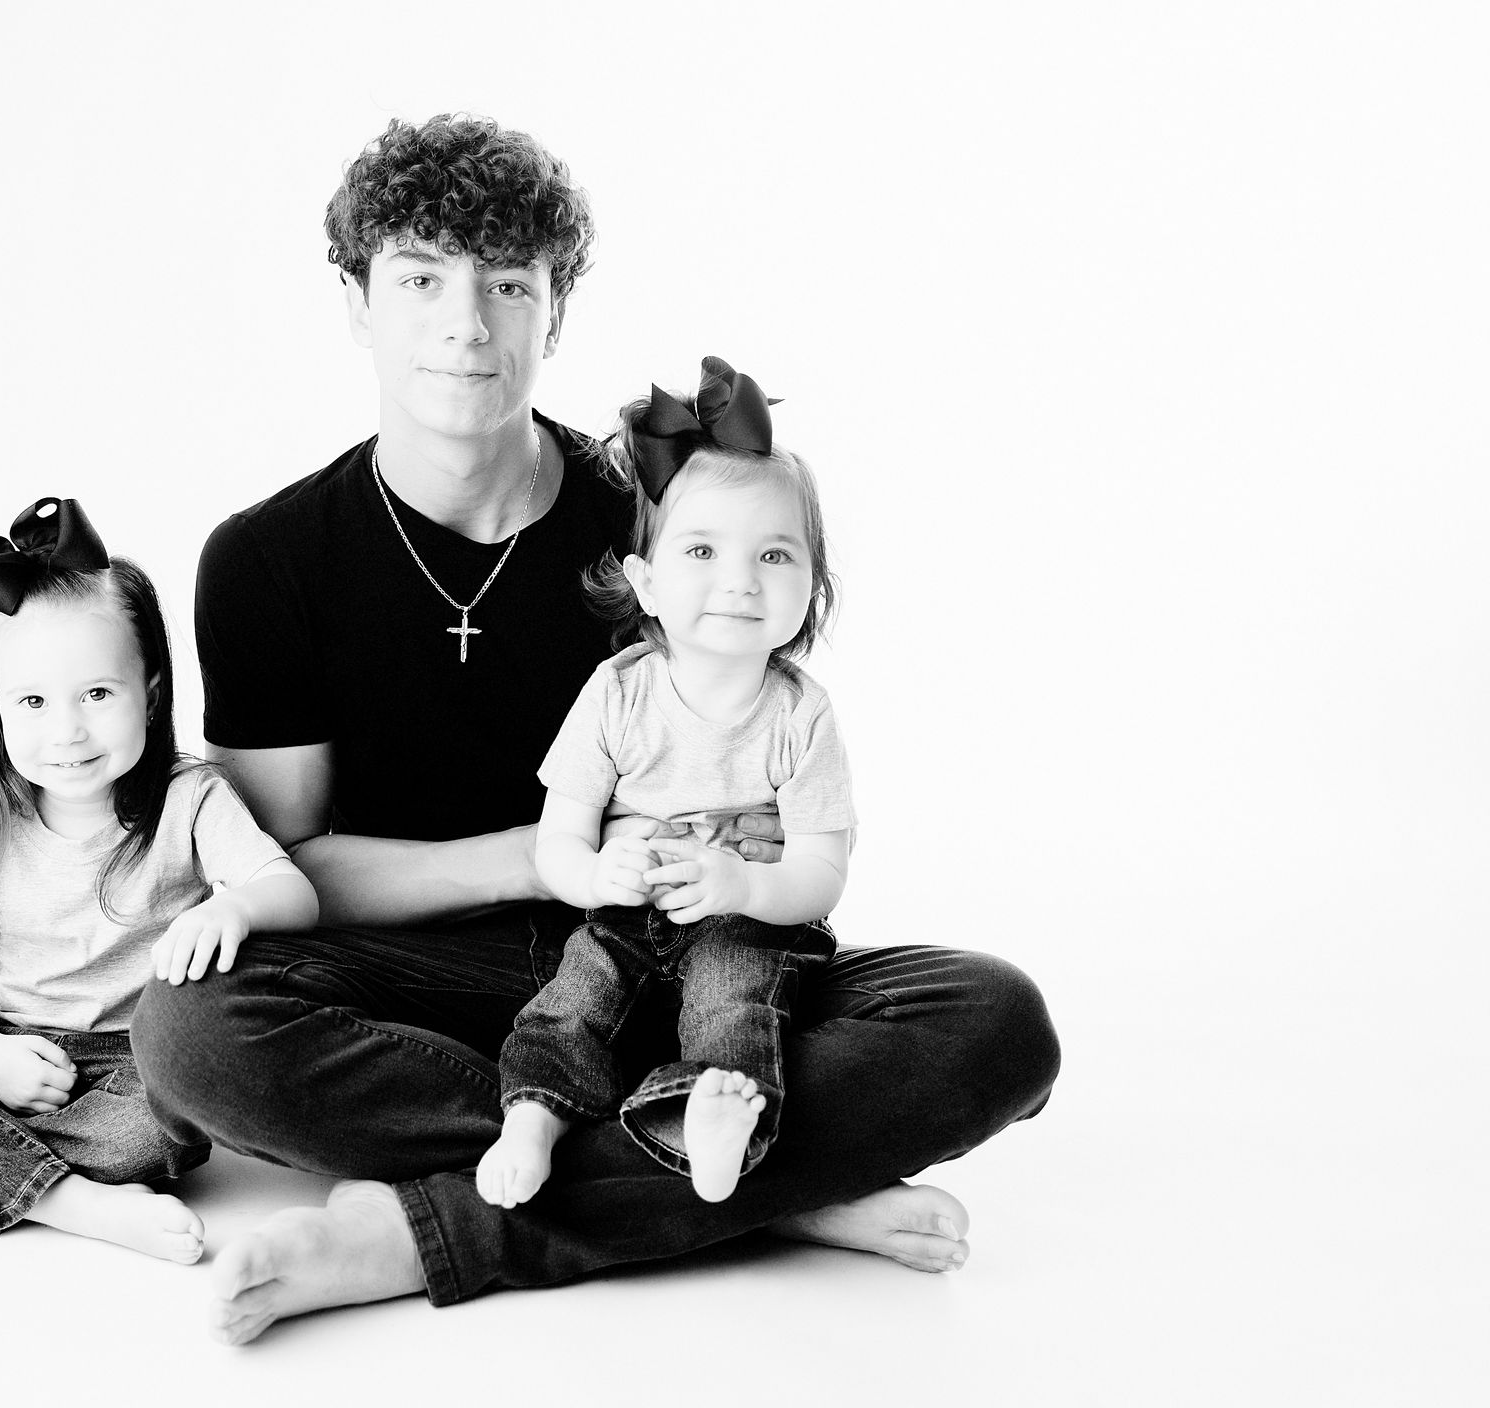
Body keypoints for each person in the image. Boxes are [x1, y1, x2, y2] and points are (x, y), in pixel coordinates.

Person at [130, 114, 1061, 1343]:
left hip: (672, 957)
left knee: (995, 1020)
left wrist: (742, 852)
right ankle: (755, 1186)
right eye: (420, 279)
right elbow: (286, 867)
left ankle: (431, 1225)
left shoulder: (655, 521)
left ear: (553, 312)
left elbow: (764, 743)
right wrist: (540, 856)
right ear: (357, 303)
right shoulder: (266, 560)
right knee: (190, 1032)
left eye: (508, 285)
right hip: (417, 987)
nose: (467, 324)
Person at [0, 496, 317, 1262]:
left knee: (164, 1132)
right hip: (10, 1051)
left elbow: (296, 893)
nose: (68, 731)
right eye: (33, 701)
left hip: (137, 1061)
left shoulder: (189, 800)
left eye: (97, 694)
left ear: (151, 691)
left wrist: (237, 911)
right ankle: (75, 1203)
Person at [477, 356, 852, 1210]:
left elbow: (823, 873)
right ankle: (533, 1117)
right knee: (574, 997)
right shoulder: (618, 692)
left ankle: (708, 1120)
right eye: (702, 550)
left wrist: (745, 885)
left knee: (735, 998)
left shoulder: (800, 714)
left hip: (745, 922)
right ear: (645, 580)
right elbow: (559, 837)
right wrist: (591, 875)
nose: (740, 579)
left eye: (774, 554)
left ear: (811, 585)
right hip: (624, 916)